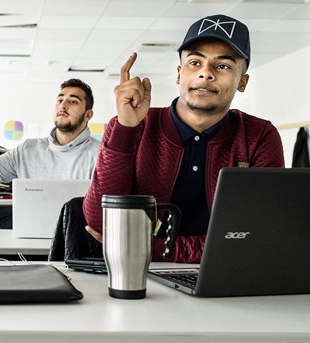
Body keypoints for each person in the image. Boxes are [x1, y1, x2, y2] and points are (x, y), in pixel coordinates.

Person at [83, 14, 285, 263]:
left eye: (222, 66)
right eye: (195, 62)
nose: (206, 74)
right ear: (179, 74)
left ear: (242, 82)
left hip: (222, 276)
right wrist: (126, 129)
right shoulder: (133, 125)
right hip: (137, 275)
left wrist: (155, 250)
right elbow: (100, 222)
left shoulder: (259, 136)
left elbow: (256, 234)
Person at [0, 79, 100, 183]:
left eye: (73, 101)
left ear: (88, 115)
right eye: (60, 100)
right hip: (31, 223)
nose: (63, 105)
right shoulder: (28, 150)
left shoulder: (100, 156)